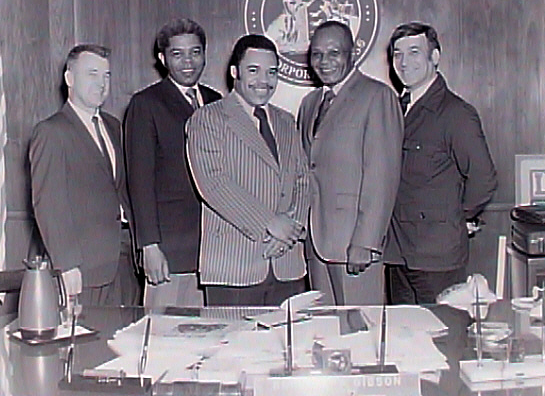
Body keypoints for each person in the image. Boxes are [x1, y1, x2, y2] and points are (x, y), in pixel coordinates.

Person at [186, 34, 309, 306]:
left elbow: (302, 181)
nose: (263, 81)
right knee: (236, 348)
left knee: (287, 346)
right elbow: (214, 184)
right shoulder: (207, 118)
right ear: (234, 73)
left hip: (287, 266)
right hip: (234, 269)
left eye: (271, 72)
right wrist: (270, 224)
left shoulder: (286, 121)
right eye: (253, 70)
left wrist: (291, 231)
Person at [384, 22, 498, 305]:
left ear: (435, 57)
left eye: (414, 52)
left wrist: (457, 219)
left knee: (442, 338)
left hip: (437, 258)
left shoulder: (456, 113)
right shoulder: (396, 109)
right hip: (398, 253)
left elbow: (484, 179)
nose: (404, 62)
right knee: (404, 340)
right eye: (397, 54)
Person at [297, 20, 403, 305]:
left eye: (334, 53)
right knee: (326, 331)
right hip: (316, 244)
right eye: (317, 54)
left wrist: (366, 242)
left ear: (353, 53)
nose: (324, 61)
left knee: (359, 333)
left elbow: (382, 176)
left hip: (354, 246)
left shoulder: (377, 96)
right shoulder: (309, 103)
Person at [30, 44, 138, 306]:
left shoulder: (114, 126)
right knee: (87, 343)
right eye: (92, 74)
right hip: (83, 269)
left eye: (106, 75)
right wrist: (66, 265)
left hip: (124, 265)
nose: (101, 83)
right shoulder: (51, 132)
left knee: (125, 342)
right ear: (69, 78)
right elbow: (48, 204)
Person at [124, 18, 221, 307]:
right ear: (162, 58)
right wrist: (149, 246)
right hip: (170, 250)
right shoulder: (146, 104)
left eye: (195, 52)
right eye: (177, 54)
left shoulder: (217, 102)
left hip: (214, 250)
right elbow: (139, 182)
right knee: (165, 338)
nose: (188, 61)